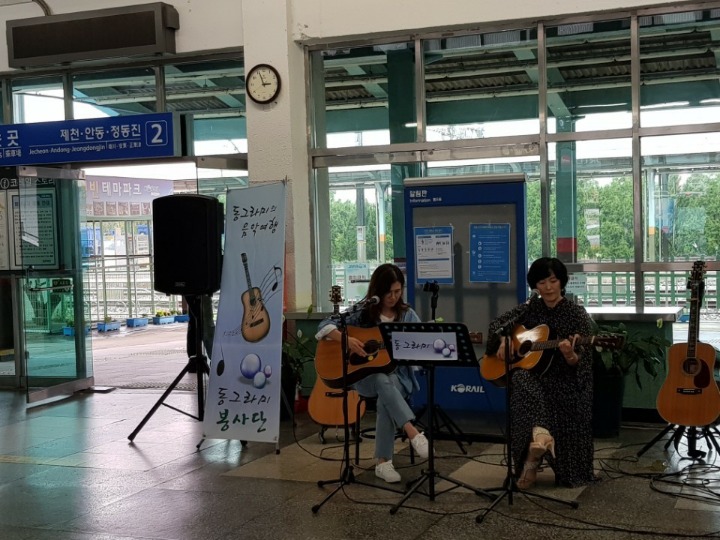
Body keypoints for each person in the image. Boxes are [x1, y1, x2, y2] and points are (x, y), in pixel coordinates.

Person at [484, 257, 595, 489]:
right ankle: (539, 441)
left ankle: (533, 458)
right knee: (521, 378)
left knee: (524, 387)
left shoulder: (576, 313)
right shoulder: (529, 309)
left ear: (562, 282)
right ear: (535, 286)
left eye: (553, 281)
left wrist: (569, 354)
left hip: (564, 381)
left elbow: (581, 362)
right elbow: (496, 325)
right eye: (542, 282)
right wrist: (504, 339)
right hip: (533, 378)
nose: (548, 287)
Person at [316, 263, 429, 483]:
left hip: (399, 378)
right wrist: (346, 339)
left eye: (398, 291)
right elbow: (325, 325)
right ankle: (412, 432)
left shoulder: (408, 315)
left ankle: (383, 463)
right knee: (379, 379)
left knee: (385, 385)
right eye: (389, 292)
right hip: (363, 379)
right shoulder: (363, 312)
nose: (394, 297)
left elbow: (420, 349)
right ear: (378, 290)